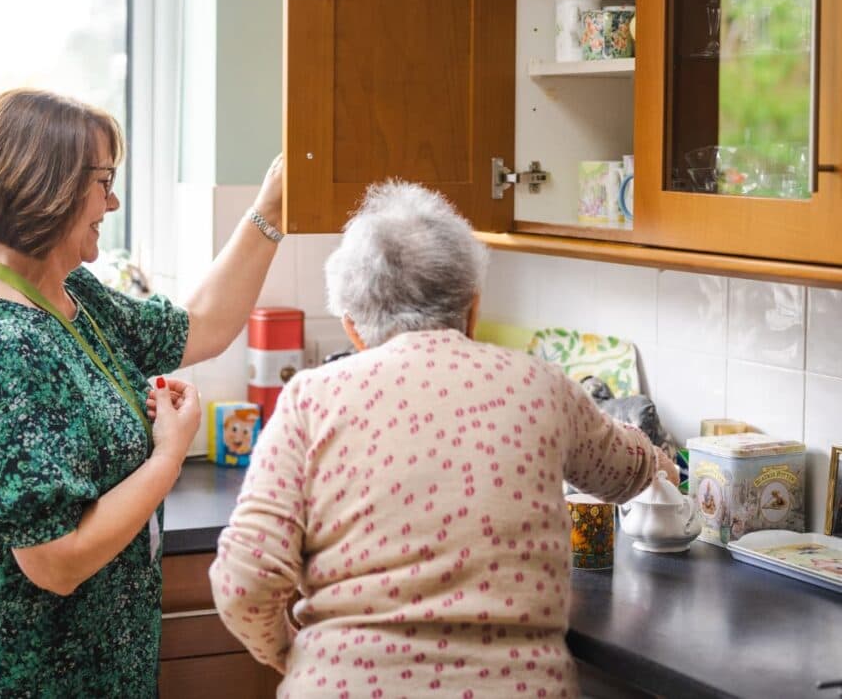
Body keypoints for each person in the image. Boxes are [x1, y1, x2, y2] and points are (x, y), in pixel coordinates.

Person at [209, 180, 678, 699]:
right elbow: (625, 468)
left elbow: (243, 581)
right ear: (472, 310)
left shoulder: (310, 400)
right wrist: (661, 463)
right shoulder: (540, 385)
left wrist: (290, 652)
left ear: (353, 329)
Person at [0, 87, 284, 698]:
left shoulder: (76, 297)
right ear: (47, 189)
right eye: (103, 181)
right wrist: (168, 456)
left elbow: (199, 327)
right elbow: (56, 562)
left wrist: (269, 214)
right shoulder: (0, 346)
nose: (112, 200)